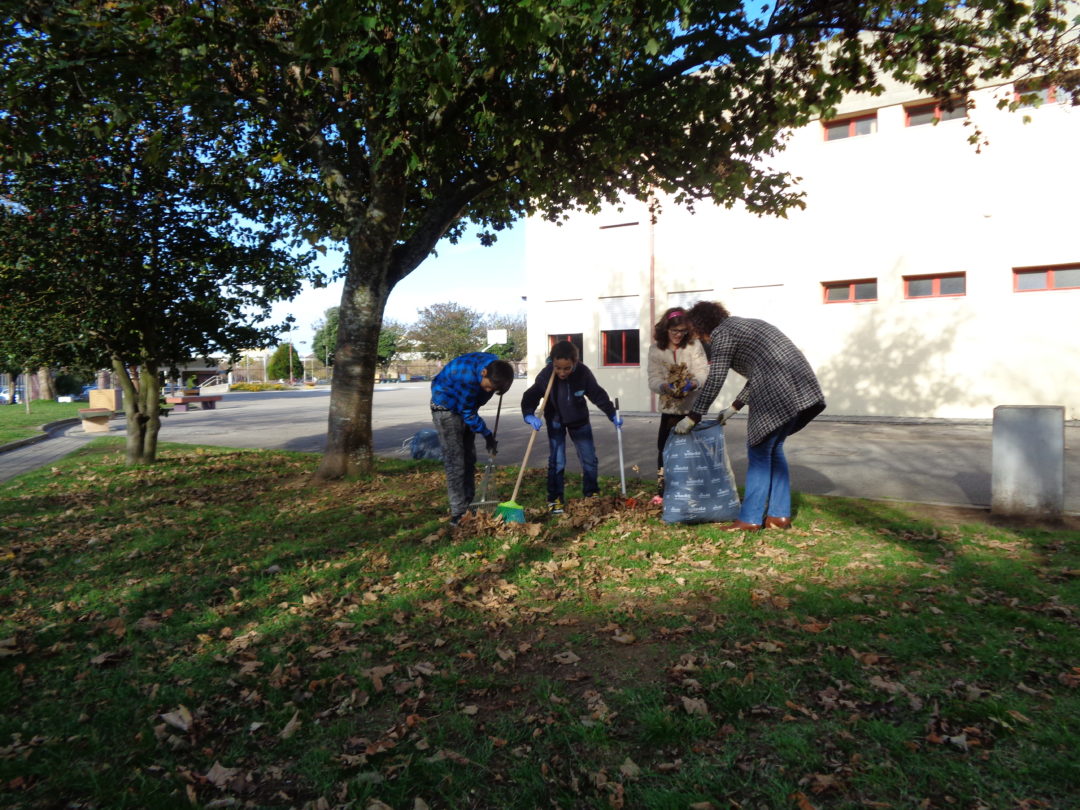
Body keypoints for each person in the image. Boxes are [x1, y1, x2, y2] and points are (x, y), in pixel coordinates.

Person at [676, 301, 825, 531]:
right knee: (773, 450)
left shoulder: (722, 333)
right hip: (800, 386)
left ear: (701, 326)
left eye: (697, 333)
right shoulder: (745, 326)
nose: (701, 339)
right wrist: (734, 406)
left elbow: (716, 377)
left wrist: (693, 416)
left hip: (777, 389)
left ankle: (750, 518)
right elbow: (760, 371)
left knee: (758, 451)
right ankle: (779, 515)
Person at [520, 340, 622, 514]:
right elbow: (531, 395)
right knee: (557, 461)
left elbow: (597, 394)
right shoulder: (546, 375)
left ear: (575, 362)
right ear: (552, 363)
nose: (562, 372)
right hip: (555, 421)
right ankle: (555, 499)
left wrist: (611, 413)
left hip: (579, 420)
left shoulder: (583, 373)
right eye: (558, 368)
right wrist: (528, 414)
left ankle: (591, 495)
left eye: (566, 368)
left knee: (589, 459)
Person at [429, 352, 515, 526]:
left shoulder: (496, 368)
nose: (490, 391)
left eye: (494, 390)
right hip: (445, 407)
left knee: (469, 459)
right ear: (483, 373)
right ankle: (458, 513)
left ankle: (470, 505)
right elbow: (467, 413)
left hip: (466, 406)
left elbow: (472, 407)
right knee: (456, 462)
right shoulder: (468, 379)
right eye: (488, 387)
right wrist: (487, 434)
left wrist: (500, 387)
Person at [646, 306, 710, 499]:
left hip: (691, 408)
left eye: (683, 331)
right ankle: (663, 489)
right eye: (675, 331)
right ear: (666, 329)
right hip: (670, 408)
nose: (678, 335)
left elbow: (703, 371)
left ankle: (694, 490)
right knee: (664, 448)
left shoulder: (694, 345)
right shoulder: (656, 350)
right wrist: (665, 387)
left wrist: (693, 383)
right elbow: (653, 379)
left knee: (693, 451)